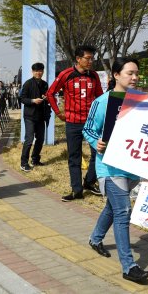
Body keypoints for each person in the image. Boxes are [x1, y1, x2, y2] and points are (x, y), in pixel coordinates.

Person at [82, 57, 148, 283]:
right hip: (110, 167)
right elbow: (88, 130)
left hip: (132, 167)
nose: (135, 77)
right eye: (130, 73)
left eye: (136, 73)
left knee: (113, 208)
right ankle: (129, 266)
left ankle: (95, 238)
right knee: (123, 212)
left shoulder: (142, 102)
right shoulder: (102, 102)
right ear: (116, 75)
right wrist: (96, 143)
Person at [46, 45, 103, 200]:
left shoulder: (94, 76)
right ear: (78, 59)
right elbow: (50, 93)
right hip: (73, 122)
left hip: (92, 123)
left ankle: (90, 182)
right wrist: (58, 112)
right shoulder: (66, 74)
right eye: (88, 58)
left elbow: (100, 97)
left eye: (92, 58)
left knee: (98, 153)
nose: (91, 61)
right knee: (74, 156)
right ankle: (76, 190)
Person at [19, 62, 51, 172]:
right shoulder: (27, 84)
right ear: (32, 72)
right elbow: (22, 99)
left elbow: (47, 96)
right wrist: (33, 101)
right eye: (36, 71)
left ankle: (35, 159)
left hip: (41, 116)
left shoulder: (45, 84)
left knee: (40, 139)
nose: (39, 73)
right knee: (29, 139)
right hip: (30, 116)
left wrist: (46, 97)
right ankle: (23, 163)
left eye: (41, 71)